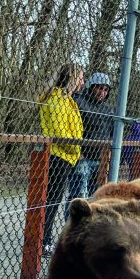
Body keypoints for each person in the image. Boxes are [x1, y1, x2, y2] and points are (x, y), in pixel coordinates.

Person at [39, 62, 84, 256]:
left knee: (53, 201)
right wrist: (76, 147)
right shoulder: (57, 99)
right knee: (50, 201)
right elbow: (60, 132)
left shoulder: (67, 100)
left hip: (65, 157)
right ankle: (43, 241)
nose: (82, 82)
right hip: (57, 155)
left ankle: (44, 239)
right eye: (80, 78)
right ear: (72, 78)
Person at [64, 72, 113, 220]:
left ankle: (89, 229)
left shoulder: (108, 110)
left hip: (100, 160)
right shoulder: (78, 102)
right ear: (91, 86)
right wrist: (77, 152)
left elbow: (111, 133)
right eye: (99, 88)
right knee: (79, 197)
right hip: (82, 158)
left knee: (96, 198)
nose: (102, 92)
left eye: (105, 89)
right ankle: (71, 226)